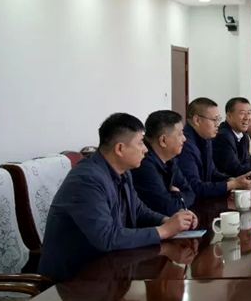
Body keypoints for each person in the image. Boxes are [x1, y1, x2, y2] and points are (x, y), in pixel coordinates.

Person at [38, 113, 198, 282]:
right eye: (140, 143)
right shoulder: (86, 180)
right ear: (120, 149)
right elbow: (107, 237)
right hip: (73, 281)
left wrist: (167, 220)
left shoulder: (123, 172)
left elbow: (139, 210)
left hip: (109, 271)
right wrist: (165, 231)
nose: (145, 149)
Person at [176, 97, 251, 199]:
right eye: (214, 120)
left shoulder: (206, 138)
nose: (217, 124)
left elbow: (212, 173)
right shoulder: (185, 145)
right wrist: (232, 184)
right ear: (197, 120)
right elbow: (194, 188)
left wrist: (230, 180)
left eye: (218, 119)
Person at [131, 110, 196, 216]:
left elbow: (190, 192)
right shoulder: (143, 164)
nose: (184, 139)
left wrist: (176, 196)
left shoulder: (169, 159)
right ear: (163, 140)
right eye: (180, 134)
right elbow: (169, 208)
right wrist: (177, 195)